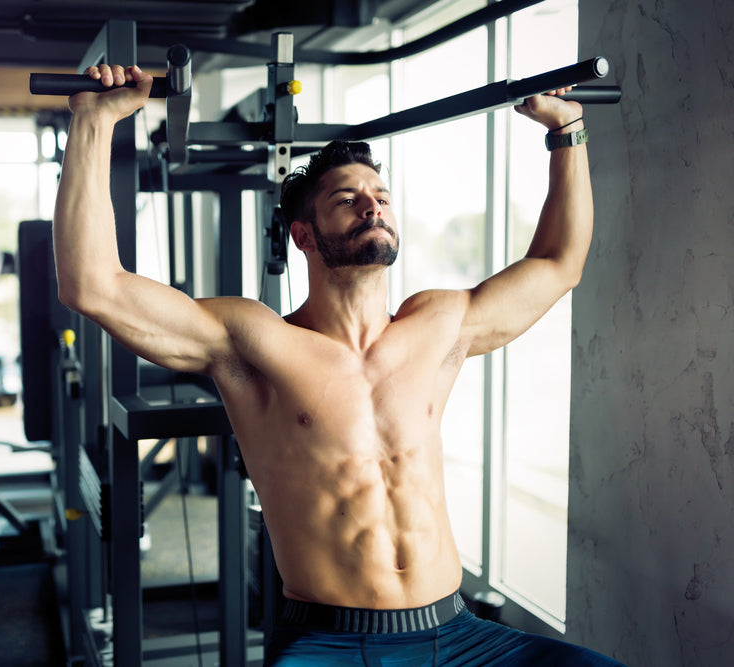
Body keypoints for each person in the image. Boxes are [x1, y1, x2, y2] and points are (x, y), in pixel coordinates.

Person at [54, 63, 624, 666]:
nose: (370, 208)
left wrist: (567, 130)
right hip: (331, 643)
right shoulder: (254, 341)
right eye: (346, 200)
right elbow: (92, 285)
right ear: (302, 236)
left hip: (461, 636)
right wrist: (94, 121)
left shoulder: (438, 326)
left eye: (379, 197)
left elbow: (560, 261)